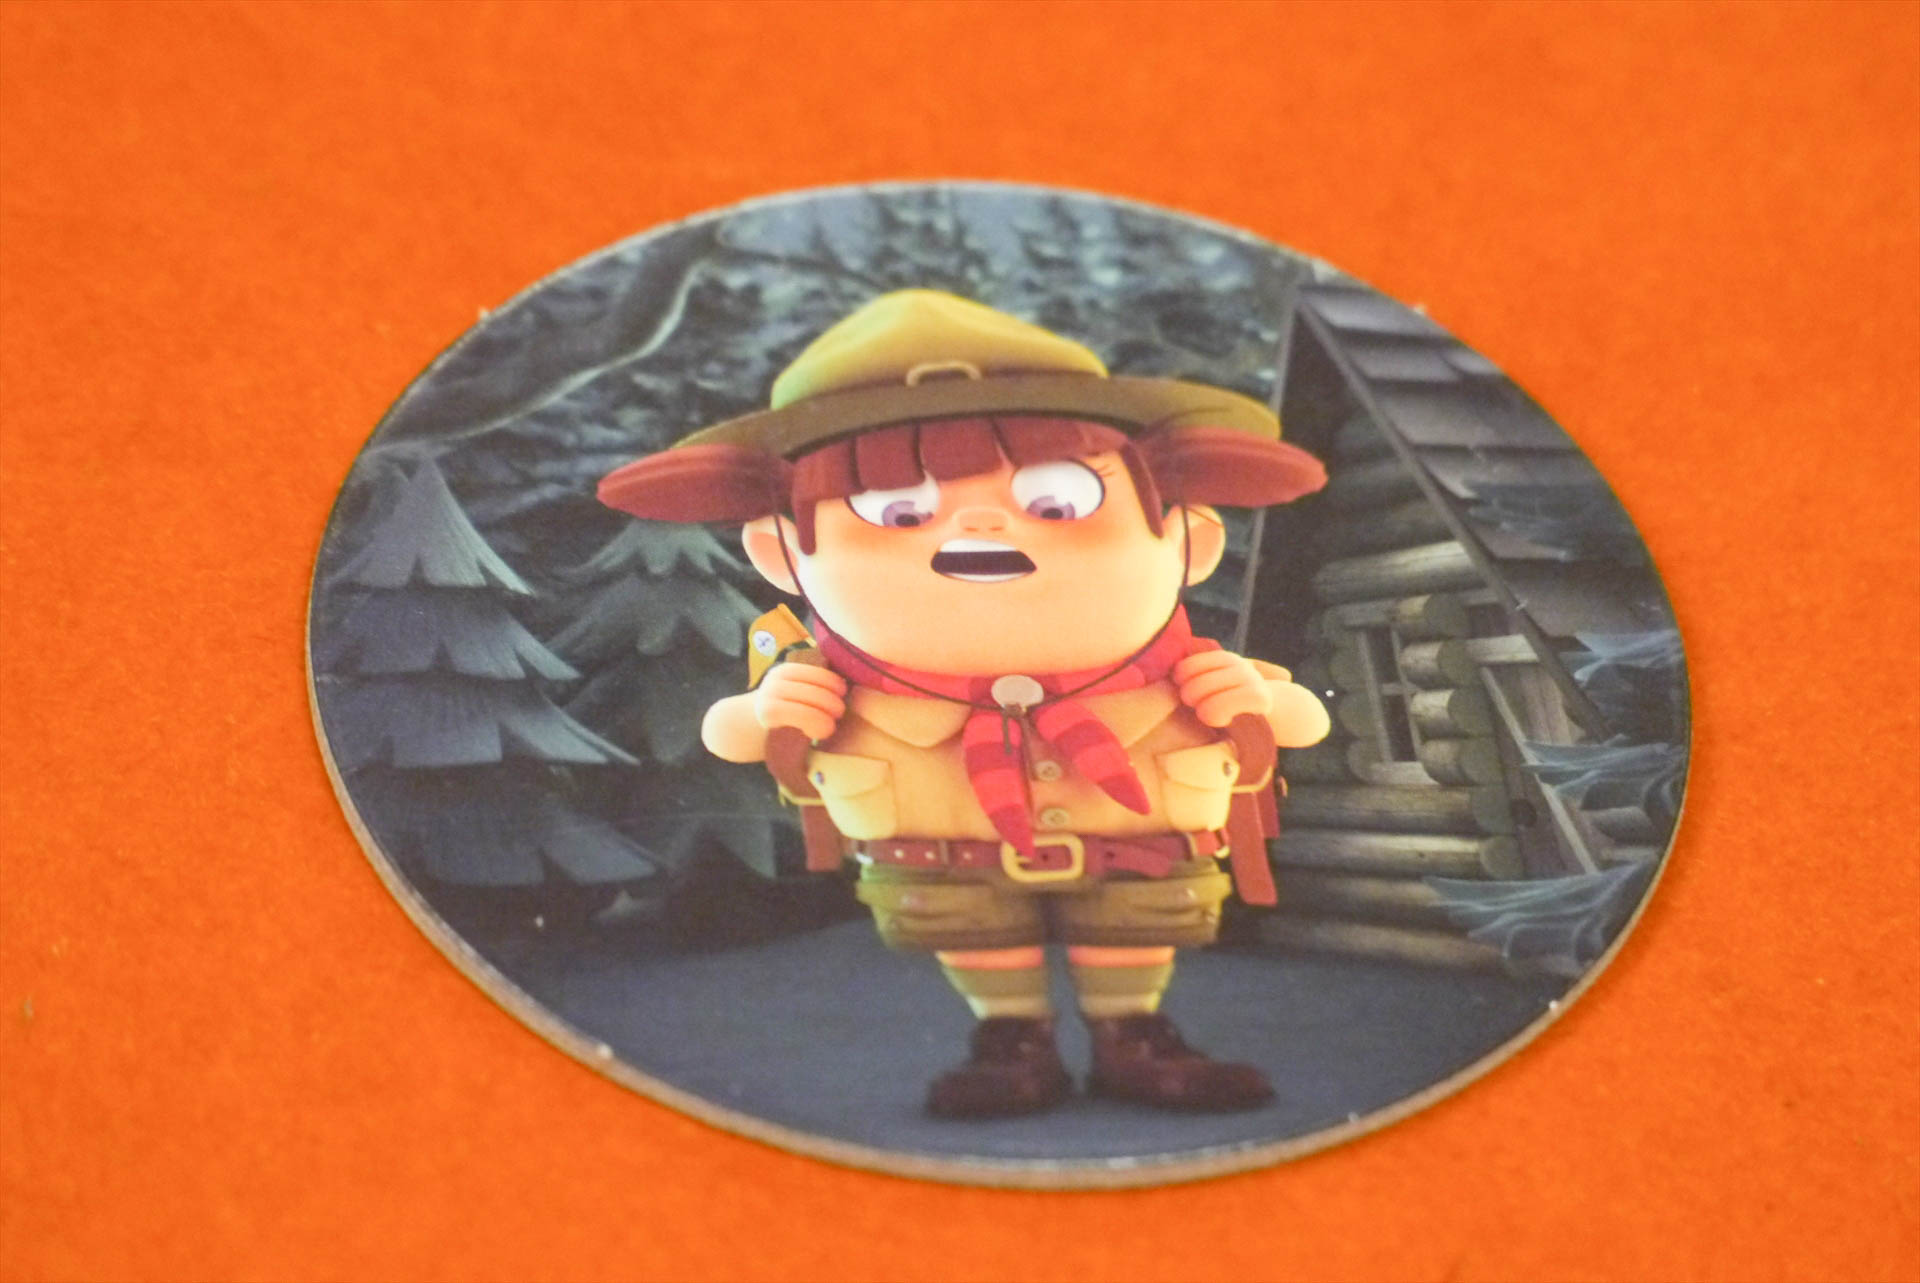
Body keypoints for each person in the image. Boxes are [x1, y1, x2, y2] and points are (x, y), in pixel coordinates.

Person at [600, 290, 1330, 1117]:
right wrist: (772, 709)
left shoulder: (1185, 669)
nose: (980, 526)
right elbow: (731, 735)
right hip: (946, 863)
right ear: (782, 556)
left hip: (1141, 855)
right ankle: (1011, 1036)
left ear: (1190, 541)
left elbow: (1299, 719)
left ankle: (1134, 1030)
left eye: (1055, 502)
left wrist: (1253, 700)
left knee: (1134, 921)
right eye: (898, 510)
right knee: (975, 927)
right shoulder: (832, 683)